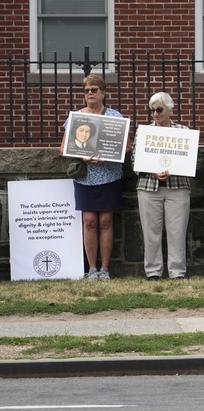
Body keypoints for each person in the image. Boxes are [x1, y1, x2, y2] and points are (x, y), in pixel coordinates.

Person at [59, 74, 126, 280]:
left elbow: (127, 146)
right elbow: (63, 149)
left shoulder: (115, 117)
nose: (90, 94)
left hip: (109, 175)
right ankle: (92, 269)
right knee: (88, 220)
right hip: (85, 177)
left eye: (94, 90)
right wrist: (84, 157)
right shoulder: (76, 118)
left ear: (103, 92)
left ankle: (105, 269)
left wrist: (109, 155)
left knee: (106, 221)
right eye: (86, 90)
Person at [132, 92, 191, 280]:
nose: (155, 114)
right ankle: (153, 272)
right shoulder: (144, 132)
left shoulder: (183, 131)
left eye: (159, 109)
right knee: (150, 232)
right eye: (152, 110)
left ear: (170, 110)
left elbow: (190, 161)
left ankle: (177, 272)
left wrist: (175, 168)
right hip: (149, 187)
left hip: (178, 186)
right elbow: (135, 161)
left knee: (177, 231)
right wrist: (153, 171)